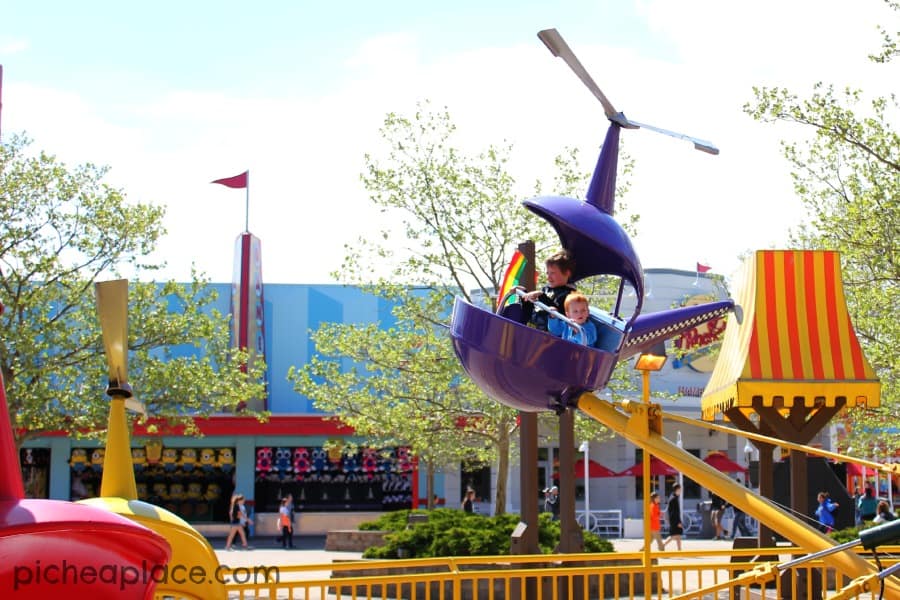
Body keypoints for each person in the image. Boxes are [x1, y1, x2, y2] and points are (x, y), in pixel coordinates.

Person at [521, 250, 577, 331]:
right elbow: (531, 310)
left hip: (548, 338)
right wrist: (524, 296)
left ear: (567, 273)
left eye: (553, 273)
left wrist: (541, 296)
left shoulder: (570, 296)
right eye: (547, 273)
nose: (548, 277)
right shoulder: (546, 289)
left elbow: (560, 315)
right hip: (531, 330)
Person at [663, 484, 683, 550]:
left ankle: (679, 550)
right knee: (674, 535)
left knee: (678, 536)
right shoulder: (674, 499)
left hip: (673, 520)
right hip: (674, 521)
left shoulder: (673, 497)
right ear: (677, 490)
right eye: (680, 489)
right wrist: (678, 522)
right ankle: (662, 545)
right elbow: (674, 513)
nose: (681, 491)